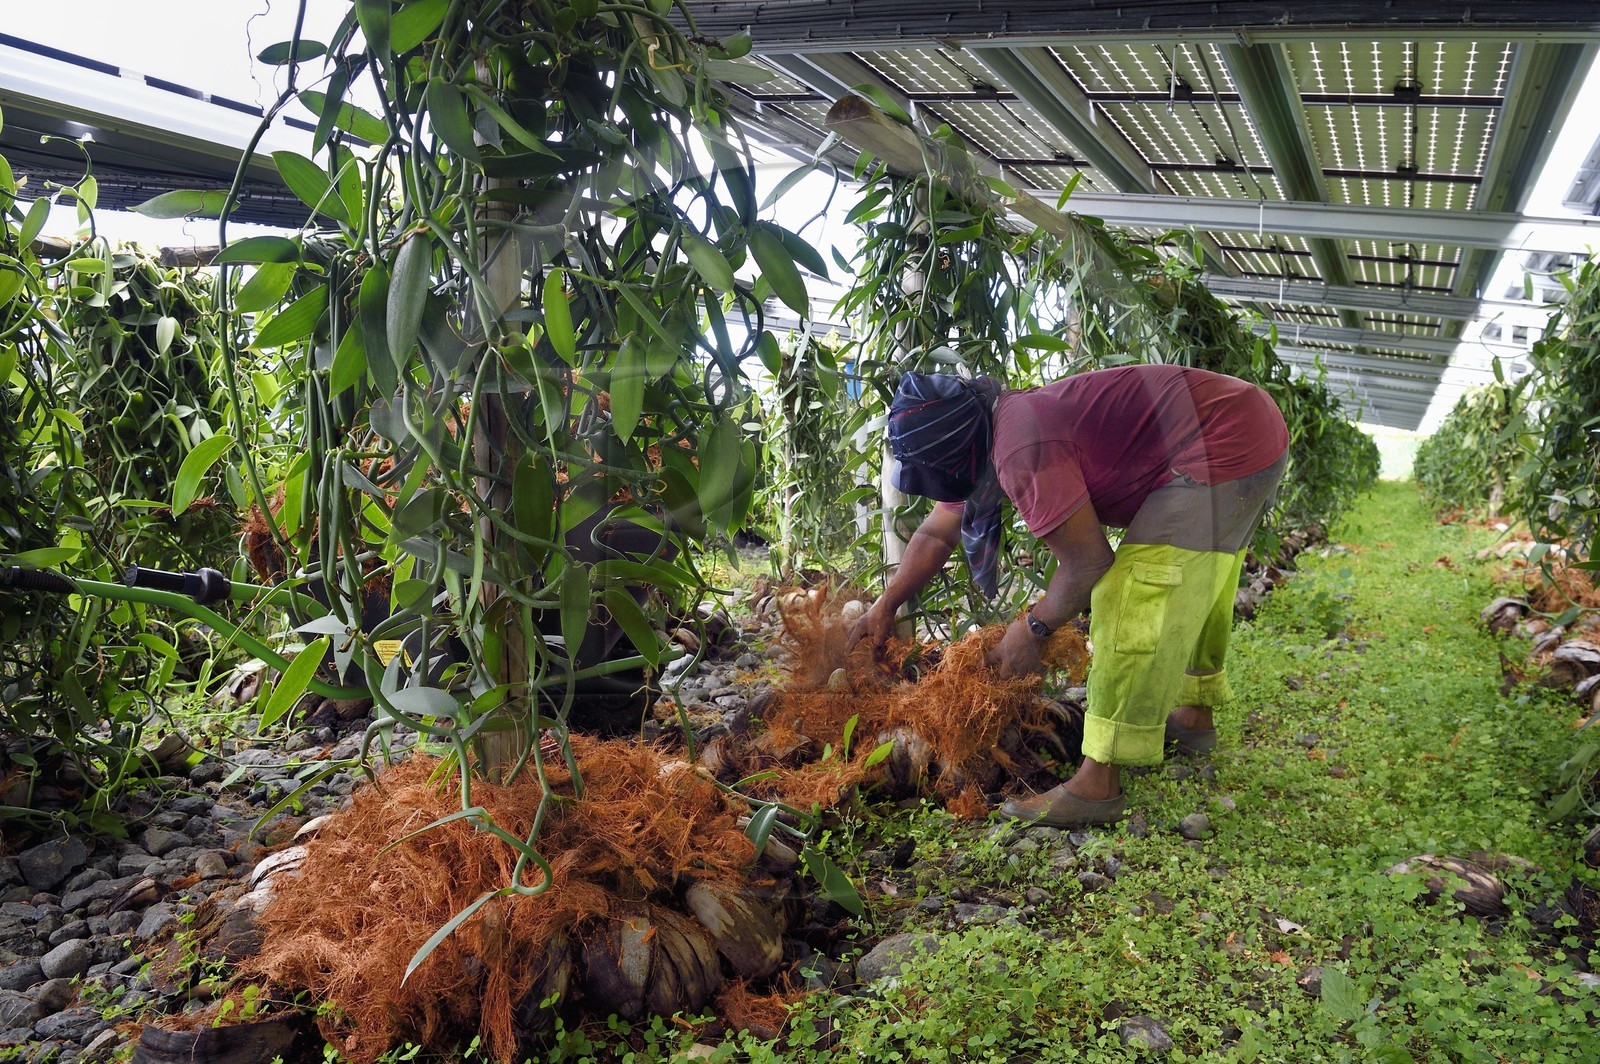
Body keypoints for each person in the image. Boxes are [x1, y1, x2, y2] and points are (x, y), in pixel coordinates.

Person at [847, 364, 1288, 827]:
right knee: (1196, 575)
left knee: (1134, 591)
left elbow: (1089, 563)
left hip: (1225, 439)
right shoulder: (983, 430)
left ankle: (1097, 784)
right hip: (1245, 423)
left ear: (957, 450)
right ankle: (1194, 716)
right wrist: (885, 604)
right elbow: (937, 534)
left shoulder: (1019, 445)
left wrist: (1034, 628)